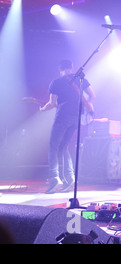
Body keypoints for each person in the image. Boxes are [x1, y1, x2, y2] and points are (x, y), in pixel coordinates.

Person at [40, 59, 95, 194]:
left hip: (62, 117)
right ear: (72, 67)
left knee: (53, 147)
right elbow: (92, 96)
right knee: (64, 147)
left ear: (60, 69)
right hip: (76, 118)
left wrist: (42, 109)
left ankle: (54, 180)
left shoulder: (56, 82)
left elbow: (52, 103)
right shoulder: (81, 80)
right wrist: (84, 106)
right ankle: (70, 179)